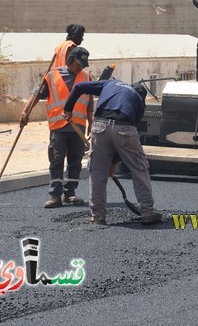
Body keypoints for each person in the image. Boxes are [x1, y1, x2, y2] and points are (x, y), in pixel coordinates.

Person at [63, 79, 161, 226]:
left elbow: (78, 86)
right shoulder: (139, 103)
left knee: (97, 172)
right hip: (124, 127)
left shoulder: (110, 84)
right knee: (139, 169)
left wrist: (68, 108)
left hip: (99, 125)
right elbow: (123, 137)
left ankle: (97, 216)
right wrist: (114, 162)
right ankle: (147, 212)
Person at [20, 46, 93, 208]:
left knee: (75, 161)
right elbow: (37, 94)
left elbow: (89, 102)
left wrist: (91, 123)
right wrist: (26, 112)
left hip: (78, 127)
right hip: (58, 126)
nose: (80, 67)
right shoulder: (52, 76)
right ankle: (55, 195)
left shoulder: (87, 76)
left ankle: (70, 193)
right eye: (78, 63)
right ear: (70, 60)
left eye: (83, 64)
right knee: (56, 159)